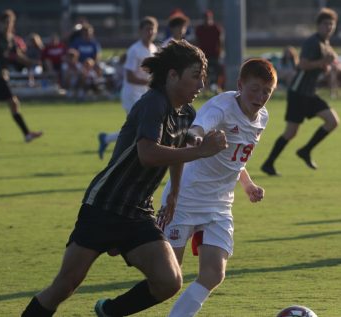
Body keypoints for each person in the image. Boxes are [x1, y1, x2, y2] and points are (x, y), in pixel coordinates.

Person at [20, 40, 228, 317]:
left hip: (137, 211)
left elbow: (178, 154)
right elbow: (148, 154)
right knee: (65, 285)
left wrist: (175, 193)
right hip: (104, 205)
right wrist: (201, 151)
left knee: (169, 281)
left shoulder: (186, 115)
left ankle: (109, 312)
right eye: (195, 77)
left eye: (203, 78)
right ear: (172, 75)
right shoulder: (153, 103)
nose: (201, 86)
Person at [158, 58, 277, 317]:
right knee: (167, 277)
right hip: (185, 197)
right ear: (240, 85)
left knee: (213, 274)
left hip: (220, 203)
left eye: (267, 92)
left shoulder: (263, 117)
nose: (260, 97)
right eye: (254, 89)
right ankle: (113, 308)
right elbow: (195, 131)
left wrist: (247, 185)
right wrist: (198, 140)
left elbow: (236, 159)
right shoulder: (221, 108)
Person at [261, 8, 340, 176]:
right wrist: (322, 62)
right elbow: (302, 64)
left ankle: (305, 150)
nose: (329, 27)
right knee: (291, 132)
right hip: (298, 92)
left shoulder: (325, 44)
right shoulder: (312, 42)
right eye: (326, 24)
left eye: (331, 25)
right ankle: (268, 164)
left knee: (332, 121)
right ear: (318, 25)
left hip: (309, 93)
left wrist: (324, 67)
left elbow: (319, 67)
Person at [97, 16, 158, 159]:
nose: (149, 32)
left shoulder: (154, 49)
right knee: (140, 126)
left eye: (152, 29)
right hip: (131, 93)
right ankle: (129, 155)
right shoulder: (134, 50)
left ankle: (106, 139)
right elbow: (130, 77)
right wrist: (150, 83)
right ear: (140, 31)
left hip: (144, 93)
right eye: (147, 29)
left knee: (136, 128)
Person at [0, 9, 42, 143]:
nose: (7, 25)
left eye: (10, 22)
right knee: (13, 103)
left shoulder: (10, 38)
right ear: (0, 23)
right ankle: (27, 134)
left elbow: (17, 55)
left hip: (3, 75)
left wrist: (31, 62)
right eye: (5, 22)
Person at [195, 10, 224, 94]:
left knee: (219, 71)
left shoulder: (216, 28)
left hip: (215, 55)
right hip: (203, 55)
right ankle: (205, 88)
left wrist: (221, 52)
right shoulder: (199, 29)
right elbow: (197, 41)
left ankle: (218, 87)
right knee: (203, 72)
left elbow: (220, 41)